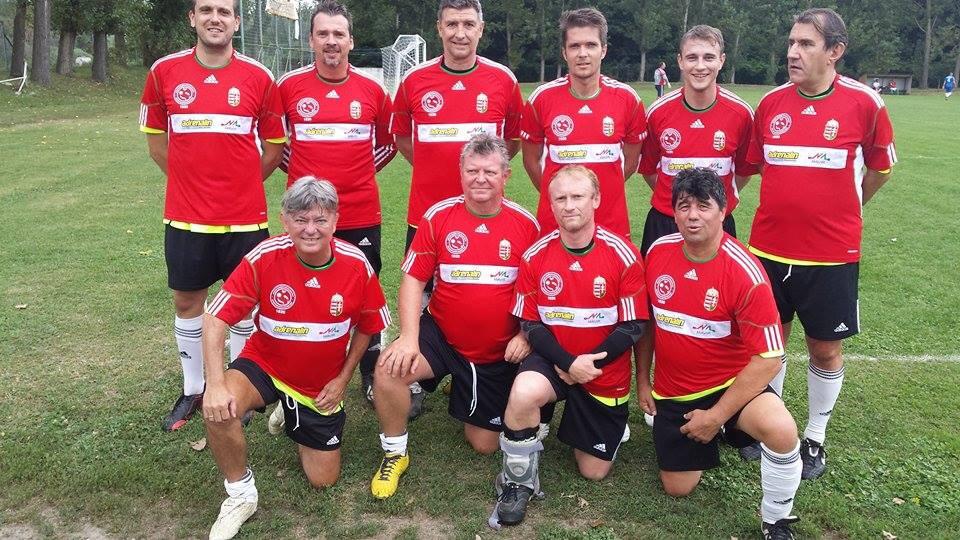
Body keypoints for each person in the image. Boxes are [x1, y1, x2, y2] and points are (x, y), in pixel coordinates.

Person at [745, 8, 897, 479]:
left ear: (835, 51)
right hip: (768, 250)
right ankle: (772, 425)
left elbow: (880, 170)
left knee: (825, 349)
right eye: (792, 42)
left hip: (831, 255)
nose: (793, 52)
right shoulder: (770, 104)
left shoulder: (865, 103)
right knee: (769, 345)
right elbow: (761, 166)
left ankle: (814, 436)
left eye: (806, 44)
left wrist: (845, 207)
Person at [201, 177, 389, 540]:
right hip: (265, 364)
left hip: (318, 382)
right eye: (300, 219)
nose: (310, 229)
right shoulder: (264, 256)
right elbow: (214, 317)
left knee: (323, 480)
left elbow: (368, 327)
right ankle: (240, 495)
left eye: (320, 219)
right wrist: (215, 384)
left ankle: (291, 411)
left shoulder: (356, 265)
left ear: (335, 220)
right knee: (220, 409)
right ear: (285, 220)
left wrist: (343, 379)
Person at [139, 0, 286, 432]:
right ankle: (193, 388)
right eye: (206, 10)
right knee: (188, 302)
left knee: (244, 306)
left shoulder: (259, 77)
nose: (215, 18)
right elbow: (156, 143)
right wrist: (191, 183)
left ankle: (241, 386)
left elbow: (274, 147)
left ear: (236, 21)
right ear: (193, 18)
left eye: (224, 11)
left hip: (245, 220)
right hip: (186, 218)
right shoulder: (164, 72)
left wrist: (240, 185)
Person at [369, 134, 541, 499]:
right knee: (388, 369)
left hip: (495, 351)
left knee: (484, 444)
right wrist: (409, 337)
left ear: (505, 175)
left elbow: (541, 291)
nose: (480, 178)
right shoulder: (438, 217)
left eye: (489, 172)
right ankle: (395, 453)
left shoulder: (526, 225)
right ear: (460, 173)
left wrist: (525, 335)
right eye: (472, 171)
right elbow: (413, 280)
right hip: (443, 335)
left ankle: (466, 386)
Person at [637, 168, 801, 540]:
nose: (693, 215)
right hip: (675, 392)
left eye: (703, 206)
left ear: (723, 211)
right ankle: (713, 430)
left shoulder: (745, 272)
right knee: (677, 487)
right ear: (674, 212)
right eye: (684, 206)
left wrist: (716, 415)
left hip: (731, 386)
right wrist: (643, 381)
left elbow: (769, 358)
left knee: (781, 430)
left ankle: (776, 520)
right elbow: (645, 324)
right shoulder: (657, 253)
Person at [490, 165, 648, 527]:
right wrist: (566, 362)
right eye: (560, 198)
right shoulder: (535, 255)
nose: (569, 205)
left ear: (596, 200)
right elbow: (531, 323)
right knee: (523, 392)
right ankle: (517, 481)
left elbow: (633, 325)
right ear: (551, 204)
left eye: (578, 196)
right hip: (554, 361)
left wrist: (586, 366)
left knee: (593, 471)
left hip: (602, 369)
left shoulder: (623, 254)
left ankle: (590, 425)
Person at [391, 0, 524, 415]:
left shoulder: (503, 80)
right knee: (422, 295)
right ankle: (418, 376)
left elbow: (511, 144)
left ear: (481, 28)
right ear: (439, 27)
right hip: (426, 215)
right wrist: (435, 172)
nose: (460, 33)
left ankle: (472, 368)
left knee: (482, 291)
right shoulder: (414, 80)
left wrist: (481, 183)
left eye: (468, 24)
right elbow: (403, 139)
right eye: (452, 24)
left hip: (486, 215)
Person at [275, 0, 396, 410]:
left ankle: (369, 371)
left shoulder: (372, 90)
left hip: (360, 211)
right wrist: (305, 184)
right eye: (323, 33)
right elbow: (275, 142)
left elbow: (388, 144)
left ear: (350, 41)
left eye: (338, 34)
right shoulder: (289, 87)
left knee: (365, 292)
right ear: (311, 40)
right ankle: (300, 369)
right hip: (306, 217)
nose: (331, 41)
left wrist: (356, 174)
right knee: (303, 288)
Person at [520, 7, 645, 238]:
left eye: (591, 45)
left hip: (611, 223)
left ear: (603, 50)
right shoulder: (541, 99)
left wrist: (599, 193)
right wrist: (559, 194)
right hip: (556, 225)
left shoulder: (628, 100)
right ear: (564, 52)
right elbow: (530, 161)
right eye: (575, 46)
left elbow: (630, 162)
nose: (583, 53)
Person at [638, 24, 757, 257]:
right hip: (665, 222)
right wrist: (679, 199)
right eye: (692, 57)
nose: (700, 66)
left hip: (718, 222)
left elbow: (743, 172)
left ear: (721, 60)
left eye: (709, 57)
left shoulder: (741, 113)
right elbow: (649, 170)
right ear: (680, 61)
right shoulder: (658, 112)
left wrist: (712, 202)